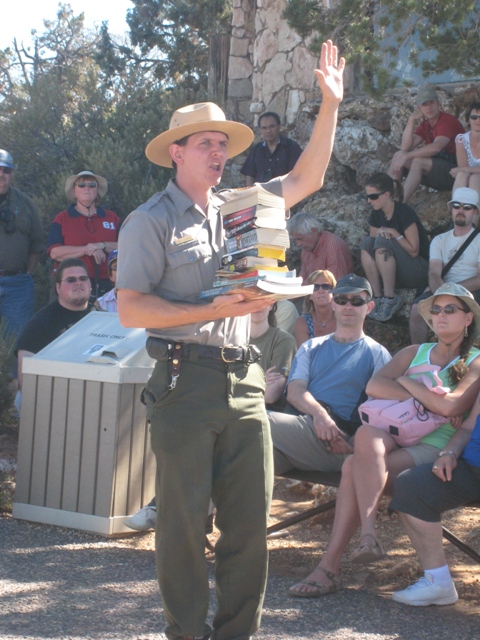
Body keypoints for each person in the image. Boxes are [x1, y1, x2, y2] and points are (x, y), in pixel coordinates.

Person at [116, 40, 345, 640]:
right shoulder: (150, 221)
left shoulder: (243, 206)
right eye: (207, 144)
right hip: (182, 380)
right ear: (177, 154)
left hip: (244, 380)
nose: (219, 153)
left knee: (249, 526)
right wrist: (209, 305)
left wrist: (330, 104)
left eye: (225, 145)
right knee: (185, 527)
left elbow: (308, 176)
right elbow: (129, 308)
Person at [288, 283, 480, 599]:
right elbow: (375, 386)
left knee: (352, 466)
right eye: (436, 309)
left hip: (435, 446)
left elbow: (453, 407)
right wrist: (428, 397)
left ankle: (334, 562)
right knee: (364, 436)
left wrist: (406, 382)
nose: (441, 316)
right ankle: (363, 538)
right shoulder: (412, 352)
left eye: (450, 309)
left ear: (468, 318)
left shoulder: (474, 360)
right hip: (395, 435)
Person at [270, 274, 391, 478]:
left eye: (357, 301)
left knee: (250, 418)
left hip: (333, 441)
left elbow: (381, 410)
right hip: (301, 429)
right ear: (334, 303)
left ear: (369, 307)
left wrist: (354, 444)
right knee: (246, 458)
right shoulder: (311, 347)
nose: (348, 306)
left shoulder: (378, 354)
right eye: (342, 300)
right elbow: (295, 390)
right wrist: (319, 415)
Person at [390, 391, 480, 606]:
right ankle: (438, 582)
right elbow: (468, 427)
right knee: (411, 486)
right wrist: (449, 453)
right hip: (471, 469)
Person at [14, 258, 94, 412]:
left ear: (90, 285)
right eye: (71, 280)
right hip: (49, 396)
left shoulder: (101, 318)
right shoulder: (41, 322)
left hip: (93, 392)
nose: (78, 283)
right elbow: (25, 372)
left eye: (83, 279)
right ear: (58, 288)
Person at [409, 187, 480, 344]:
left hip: (472, 292)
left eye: (467, 207)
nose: (461, 210)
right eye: (456, 206)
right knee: (416, 310)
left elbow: (478, 280)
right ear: (451, 209)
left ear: (474, 211)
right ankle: (419, 357)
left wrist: (451, 291)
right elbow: (434, 273)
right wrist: (442, 293)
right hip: (441, 289)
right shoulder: (439, 240)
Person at [360, 172, 429, 322]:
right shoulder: (376, 215)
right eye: (368, 196)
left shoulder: (404, 212)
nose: (369, 201)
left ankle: (390, 298)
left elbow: (414, 251)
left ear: (386, 195)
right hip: (393, 271)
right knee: (366, 243)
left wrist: (394, 233)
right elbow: (372, 245)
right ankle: (377, 298)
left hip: (418, 270)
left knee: (382, 242)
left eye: (373, 196)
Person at [47, 170, 121, 298]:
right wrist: (87, 250)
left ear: (97, 191)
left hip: (107, 285)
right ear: (74, 192)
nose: (87, 188)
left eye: (92, 185)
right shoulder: (62, 218)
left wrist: (102, 245)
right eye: (81, 185)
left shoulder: (112, 218)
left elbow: (127, 246)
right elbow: (54, 252)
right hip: (72, 284)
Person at [389, 85, 465, 203]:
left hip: (456, 172)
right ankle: (388, 198)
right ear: (419, 108)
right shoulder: (425, 124)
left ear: (438, 103)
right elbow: (405, 147)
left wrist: (408, 156)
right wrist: (411, 120)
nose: (429, 108)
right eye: (425, 104)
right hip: (437, 170)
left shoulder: (447, 121)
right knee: (398, 155)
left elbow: (436, 147)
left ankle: (400, 204)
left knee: (418, 161)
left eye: (432, 103)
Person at [0, 149, 45, 339]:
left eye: (6, 171)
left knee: (17, 341)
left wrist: (28, 273)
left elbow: (37, 242)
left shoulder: (25, 203)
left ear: (12, 174)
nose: (1, 175)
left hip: (17, 285)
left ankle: (13, 371)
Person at [250, 303, 297, 411]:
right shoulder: (232, 340)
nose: (258, 305)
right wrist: (261, 380)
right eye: (252, 300)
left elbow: (271, 395)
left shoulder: (283, 340)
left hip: (268, 413)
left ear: (271, 304)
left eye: (263, 300)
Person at [288, 212, 353, 282]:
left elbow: (332, 284)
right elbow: (301, 280)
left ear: (314, 231)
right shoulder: (306, 249)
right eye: (296, 240)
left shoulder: (332, 247)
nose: (298, 244)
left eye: (300, 239)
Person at [240, 111, 302, 186]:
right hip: (260, 195)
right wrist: (250, 194)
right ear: (261, 130)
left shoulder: (291, 147)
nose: (268, 131)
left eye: (272, 126)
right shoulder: (256, 150)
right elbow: (249, 175)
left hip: (284, 194)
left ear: (279, 127)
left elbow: (296, 176)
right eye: (264, 128)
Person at [294, 269, 337, 348]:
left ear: (333, 292)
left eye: (325, 286)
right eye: (315, 287)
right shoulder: (302, 322)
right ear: (310, 295)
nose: (320, 291)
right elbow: (304, 357)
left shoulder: (343, 319)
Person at [451, 101, 480, 212]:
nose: (478, 120)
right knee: (462, 175)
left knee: (475, 178)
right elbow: (463, 167)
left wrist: (464, 169)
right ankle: (456, 213)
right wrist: (463, 169)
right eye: (474, 117)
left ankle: (473, 221)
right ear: (468, 119)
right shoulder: (461, 139)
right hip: (470, 177)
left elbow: (463, 167)